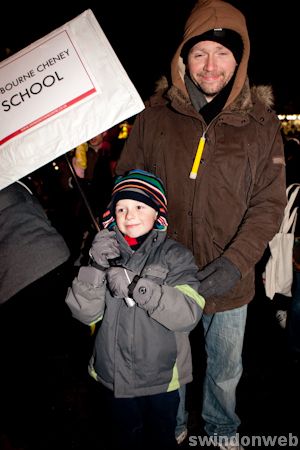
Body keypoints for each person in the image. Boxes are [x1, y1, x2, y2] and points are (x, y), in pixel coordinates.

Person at [115, 0, 287, 448]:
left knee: (225, 369)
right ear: (183, 58)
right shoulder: (154, 118)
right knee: (167, 366)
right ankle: (172, 428)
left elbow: (268, 204)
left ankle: (222, 430)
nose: (211, 66)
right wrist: (123, 238)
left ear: (240, 58)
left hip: (230, 279)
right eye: (200, 53)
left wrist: (235, 262)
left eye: (223, 53)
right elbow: (128, 184)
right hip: (165, 275)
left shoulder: (262, 124)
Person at [65, 169, 205, 450]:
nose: (129, 215)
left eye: (140, 206)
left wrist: (139, 287)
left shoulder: (176, 256)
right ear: (111, 215)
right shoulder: (101, 253)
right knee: (124, 439)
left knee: (160, 439)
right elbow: (85, 314)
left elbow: (189, 314)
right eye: (121, 208)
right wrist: (95, 267)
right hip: (112, 378)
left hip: (161, 380)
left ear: (158, 214)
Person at [0, 180, 71, 448]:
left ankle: (39, 422)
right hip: (52, 257)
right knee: (54, 347)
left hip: (15, 281)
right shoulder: (15, 178)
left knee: (26, 361)